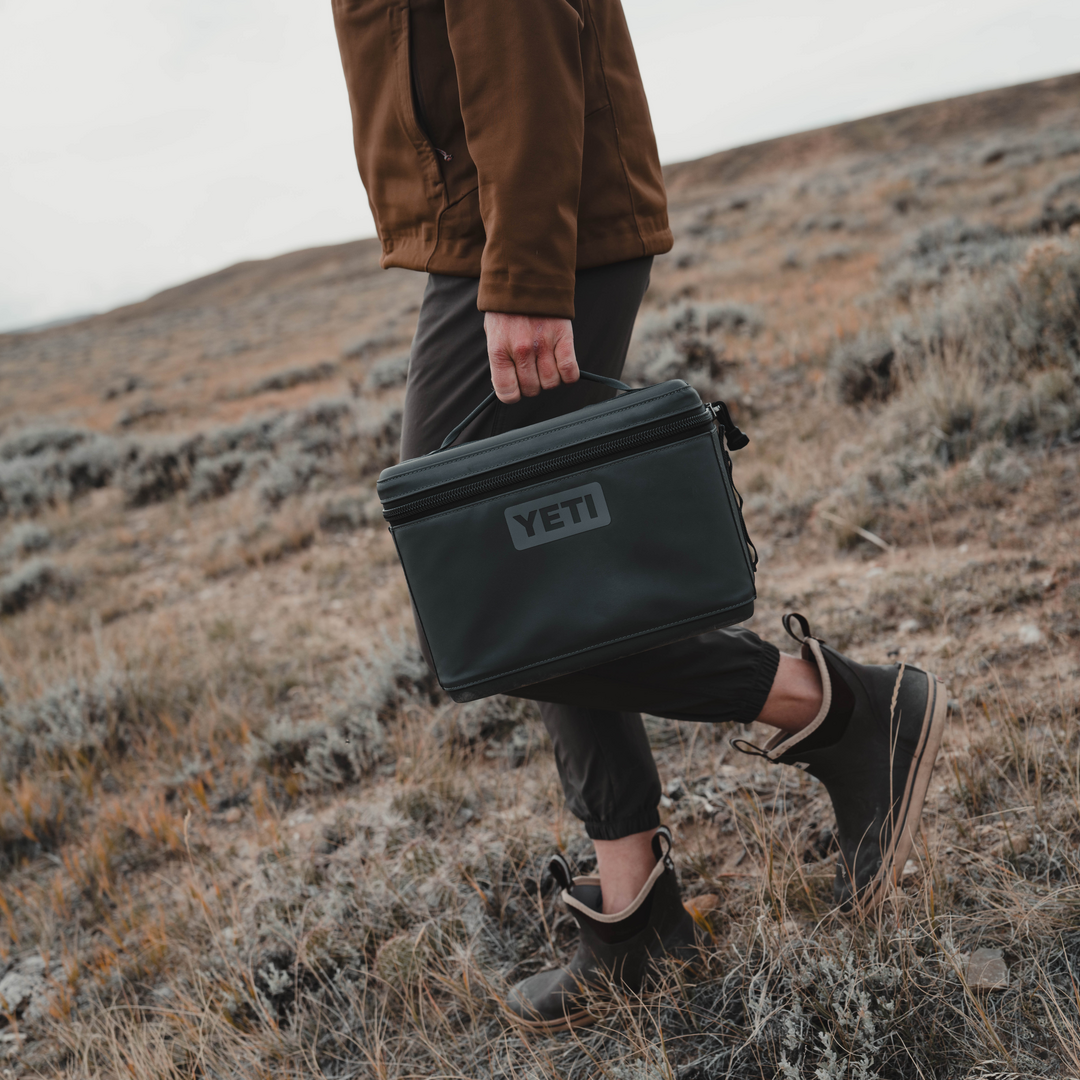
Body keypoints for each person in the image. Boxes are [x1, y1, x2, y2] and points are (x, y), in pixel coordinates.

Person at [331, 0, 947, 1032]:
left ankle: (838, 710)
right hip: (490, 216)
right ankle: (633, 903)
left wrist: (523, 266)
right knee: (540, 571)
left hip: (527, 215)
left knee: (477, 599)